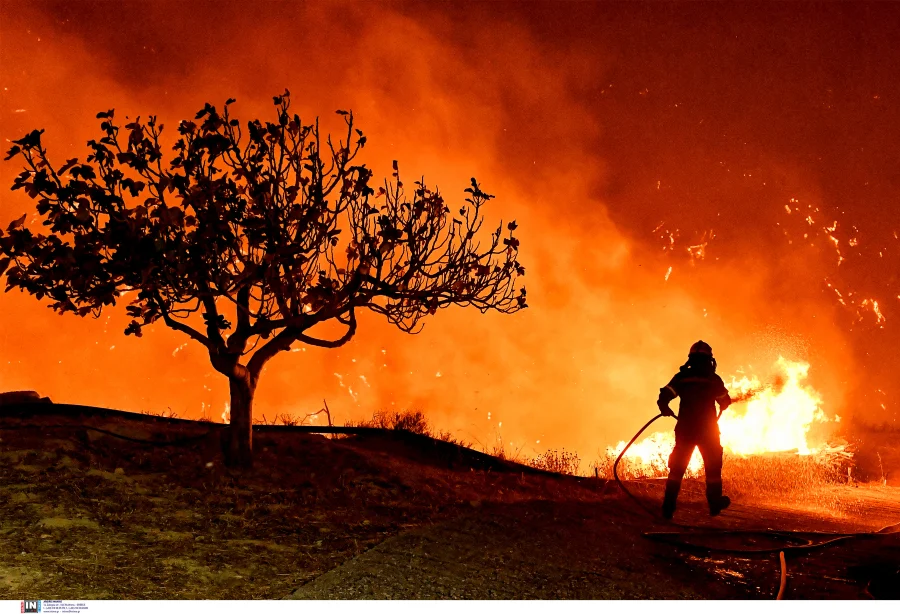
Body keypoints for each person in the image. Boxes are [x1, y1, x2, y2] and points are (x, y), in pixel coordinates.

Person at [657, 340, 732, 519]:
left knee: (677, 469)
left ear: (691, 358)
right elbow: (725, 400)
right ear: (709, 360)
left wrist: (664, 407)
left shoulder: (682, 377)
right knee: (713, 469)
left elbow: (666, 394)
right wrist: (724, 402)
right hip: (708, 431)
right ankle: (714, 504)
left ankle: (668, 508)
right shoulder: (713, 379)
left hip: (686, 429)